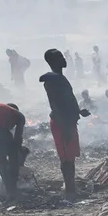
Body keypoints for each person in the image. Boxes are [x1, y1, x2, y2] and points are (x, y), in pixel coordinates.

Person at [40, 49, 91, 200]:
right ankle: (69, 191)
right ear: (53, 61)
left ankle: (72, 188)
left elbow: (67, 100)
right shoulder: (51, 81)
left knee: (71, 157)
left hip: (68, 122)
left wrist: (78, 111)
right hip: (62, 123)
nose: (64, 59)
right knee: (66, 159)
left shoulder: (60, 78)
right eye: (60, 57)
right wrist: (65, 127)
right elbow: (54, 105)